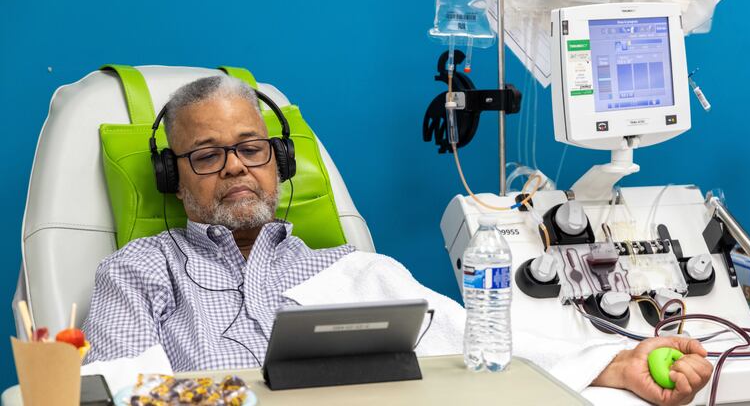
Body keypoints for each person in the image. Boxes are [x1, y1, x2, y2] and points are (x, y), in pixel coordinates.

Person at [82, 75, 711, 405]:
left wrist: (610, 365)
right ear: (172, 175)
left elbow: (474, 354)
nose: (236, 167)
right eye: (207, 155)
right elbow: (124, 391)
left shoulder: (354, 271)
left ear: (279, 161)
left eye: (249, 148)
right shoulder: (136, 272)